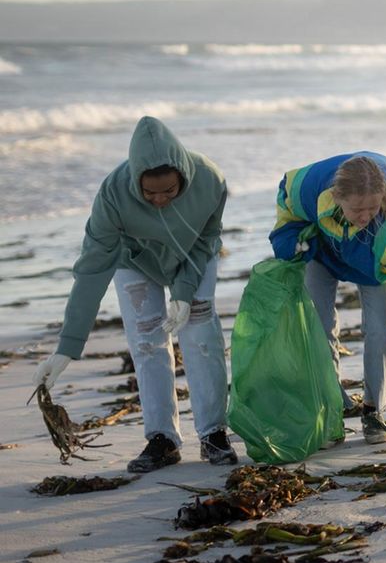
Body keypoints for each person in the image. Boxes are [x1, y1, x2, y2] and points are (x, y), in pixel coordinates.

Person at [34, 116, 236, 472]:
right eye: (149, 193)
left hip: (193, 258)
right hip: (136, 262)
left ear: (183, 178)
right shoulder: (112, 195)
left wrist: (185, 292)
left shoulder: (210, 179)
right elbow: (92, 270)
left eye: (170, 192)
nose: (159, 199)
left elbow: (207, 240)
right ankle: (162, 439)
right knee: (146, 339)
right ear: (134, 181)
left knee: (201, 334)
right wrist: (68, 346)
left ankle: (213, 433)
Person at [269, 152, 386, 445]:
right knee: (318, 328)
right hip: (322, 254)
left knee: (382, 331)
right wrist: (291, 243)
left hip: (375, 263)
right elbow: (287, 208)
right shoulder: (310, 187)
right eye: (356, 209)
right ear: (336, 197)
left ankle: (373, 412)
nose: (365, 216)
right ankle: (331, 407)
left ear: (384, 196)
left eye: (372, 208)